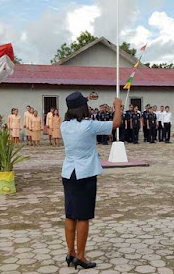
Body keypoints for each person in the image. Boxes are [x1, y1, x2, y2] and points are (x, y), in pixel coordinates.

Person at [61, 92, 122, 270]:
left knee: (70, 214)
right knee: (83, 217)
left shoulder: (64, 125)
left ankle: (70, 252)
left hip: (68, 173)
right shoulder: (89, 126)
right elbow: (116, 124)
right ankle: (80, 256)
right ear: (83, 108)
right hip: (85, 174)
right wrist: (117, 106)